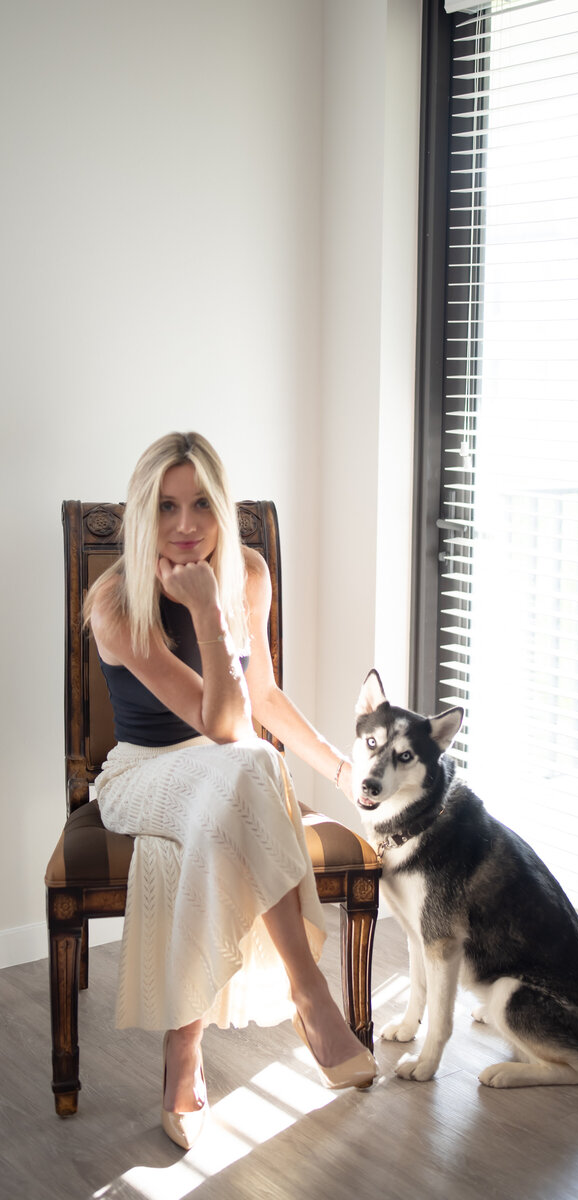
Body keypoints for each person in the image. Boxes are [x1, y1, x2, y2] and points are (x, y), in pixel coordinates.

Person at [85, 431, 377, 1149]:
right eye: (167, 507)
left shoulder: (249, 570)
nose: (186, 526)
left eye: (201, 505)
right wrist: (208, 615)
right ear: (142, 514)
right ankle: (311, 992)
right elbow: (221, 722)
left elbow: (265, 697)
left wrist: (341, 770)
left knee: (249, 773)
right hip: (144, 771)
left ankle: (182, 1056)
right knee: (250, 765)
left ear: (222, 507)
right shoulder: (116, 600)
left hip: (232, 769)